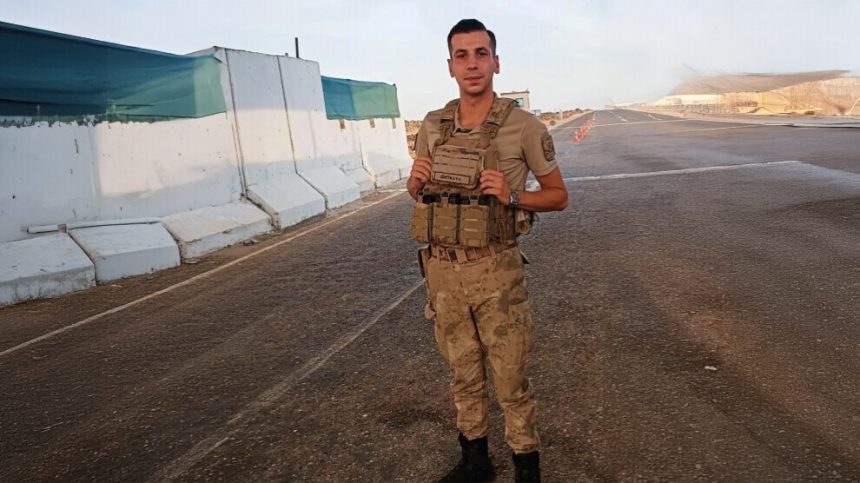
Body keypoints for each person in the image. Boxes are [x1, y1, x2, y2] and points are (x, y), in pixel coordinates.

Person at [408, 18, 568, 483]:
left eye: (481, 54)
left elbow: (559, 196)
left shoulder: (524, 127)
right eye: (462, 55)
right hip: (443, 272)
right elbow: (422, 195)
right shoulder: (433, 126)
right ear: (450, 67)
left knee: (510, 376)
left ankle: (526, 466)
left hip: (496, 270)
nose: (472, 64)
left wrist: (513, 195)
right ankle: (475, 461)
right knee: (462, 374)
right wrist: (413, 183)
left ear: (496, 62)